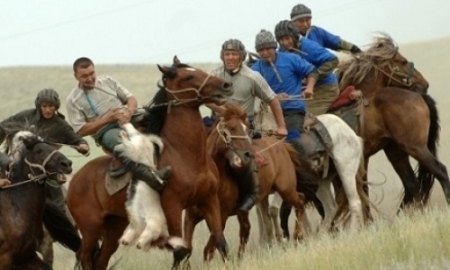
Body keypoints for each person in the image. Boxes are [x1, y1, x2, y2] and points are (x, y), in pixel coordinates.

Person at [65, 57, 171, 191]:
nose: (90, 78)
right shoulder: (73, 100)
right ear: (76, 76)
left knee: (157, 118)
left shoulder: (108, 81)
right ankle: (151, 177)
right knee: (122, 146)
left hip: (128, 117)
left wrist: (128, 113)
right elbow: (80, 131)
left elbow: (131, 99)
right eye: (84, 76)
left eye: (92, 73)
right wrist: (107, 119)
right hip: (106, 130)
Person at [206, 38, 288, 212]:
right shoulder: (214, 75)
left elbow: (272, 99)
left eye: (234, 54)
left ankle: (251, 193)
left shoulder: (252, 77)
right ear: (222, 56)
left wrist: (281, 126)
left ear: (241, 56)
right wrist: (220, 110)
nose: (230, 58)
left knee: (245, 157)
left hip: (243, 126)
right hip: (218, 123)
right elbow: (206, 98)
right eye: (227, 54)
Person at [0, 88, 89, 211]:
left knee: (54, 187)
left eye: (51, 106)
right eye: (44, 106)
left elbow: (76, 139)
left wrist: (82, 145)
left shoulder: (61, 125)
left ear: (56, 107)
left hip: (45, 166)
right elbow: (3, 127)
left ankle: (61, 216)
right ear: (39, 106)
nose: (47, 109)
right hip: (17, 161)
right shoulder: (26, 115)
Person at [251, 30, 318, 138]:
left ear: (274, 47)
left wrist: (309, 88)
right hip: (268, 112)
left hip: (293, 108)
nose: (264, 53)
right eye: (261, 50)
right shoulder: (255, 70)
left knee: (292, 138)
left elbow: (312, 71)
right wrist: (274, 98)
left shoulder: (291, 59)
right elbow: (251, 94)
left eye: (268, 48)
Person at [274, 20, 340, 115]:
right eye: (281, 40)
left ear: (294, 36)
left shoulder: (308, 46)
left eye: (287, 38)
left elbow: (333, 60)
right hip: (301, 92)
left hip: (324, 88)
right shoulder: (281, 51)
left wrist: (312, 78)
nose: (285, 42)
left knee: (303, 117)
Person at [290, 3, 362, 54]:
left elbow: (336, 41)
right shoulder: (288, 38)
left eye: (308, 20)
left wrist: (354, 48)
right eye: (301, 21)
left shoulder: (316, 31)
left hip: (322, 70)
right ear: (293, 23)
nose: (305, 24)